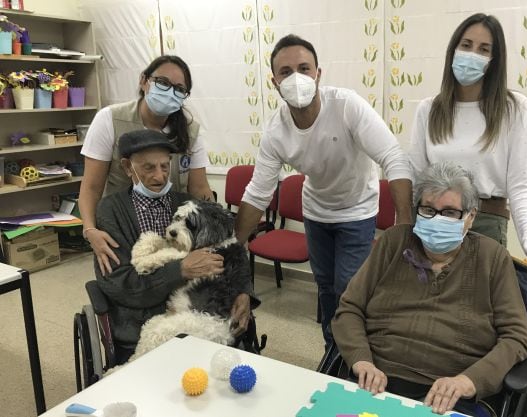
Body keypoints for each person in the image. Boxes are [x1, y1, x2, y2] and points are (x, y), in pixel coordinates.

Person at [235, 34, 413, 346]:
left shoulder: (346, 106)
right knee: (326, 286)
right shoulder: (275, 131)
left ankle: (357, 352)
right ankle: (334, 348)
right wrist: (234, 244)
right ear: (274, 82)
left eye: (304, 68)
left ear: (319, 73)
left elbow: (393, 157)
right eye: (286, 72)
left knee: (349, 287)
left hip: (357, 210)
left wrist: (405, 223)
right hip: (316, 212)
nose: (296, 78)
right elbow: (258, 192)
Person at [332, 162, 527, 417]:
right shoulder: (393, 242)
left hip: (451, 395)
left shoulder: (492, 258)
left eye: (449, 213)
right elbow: (350, 307)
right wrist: (361, 360)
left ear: (470, 217)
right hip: (375, 379)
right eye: (428, 210)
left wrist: (468, 381)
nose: (437, 219)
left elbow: (516, 337)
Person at [408, 13, 527, 267]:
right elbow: (414, 177)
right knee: (430, 302)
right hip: (434, 225)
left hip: (487, 224)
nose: (472, 54)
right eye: (466, 45)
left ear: (493, 60)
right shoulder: (428, 109)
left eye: (484, 49)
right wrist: (406, 227)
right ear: (453, 50)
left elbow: (522, 181)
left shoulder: (513, 108)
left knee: (479, 303)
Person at [94, 129, 255, 365]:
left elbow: (229, 251)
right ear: (128, 168)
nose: (159, 177)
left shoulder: (186, 204)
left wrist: (245, 292)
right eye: (149, 168)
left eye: (165, 166)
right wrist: (179, 271)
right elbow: (117, 283)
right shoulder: (111, 211)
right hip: (143, 319)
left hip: (202, 312)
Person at [79, 55, 215, 276]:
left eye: (179, 89)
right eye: (162, 83)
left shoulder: (190, 132)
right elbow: (91, 188)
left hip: (174, 229)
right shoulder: (110, 120)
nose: (170, 92)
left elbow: (199, 189)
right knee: (130, 285)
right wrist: (90, 230)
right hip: (123, 227)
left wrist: (213, 228)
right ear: (144, 81)